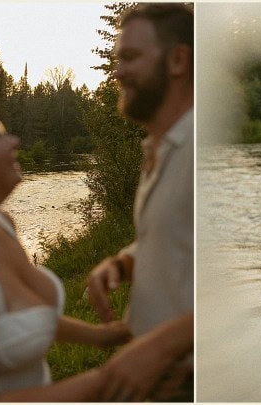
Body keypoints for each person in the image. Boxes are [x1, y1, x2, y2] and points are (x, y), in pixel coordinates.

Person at [0, 102, 133, 401]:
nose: (14, 141)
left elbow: (23, 318)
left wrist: (100, 336)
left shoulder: (3, 224)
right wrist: (109, 380)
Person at [84, 3, 195, 402]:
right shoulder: (160, 147)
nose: (117, 72)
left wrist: (162, 347)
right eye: (117, 59)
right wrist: (125, 261)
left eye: (130, 58)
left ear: (178, 59)